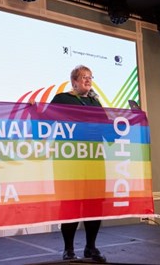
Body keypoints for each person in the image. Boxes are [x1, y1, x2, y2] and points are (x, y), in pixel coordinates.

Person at [50, 65, 107, 262]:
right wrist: (32, 108)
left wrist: (130, 122)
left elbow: (108, 132)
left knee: (94, 204)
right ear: (74, 81)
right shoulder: (62, 99)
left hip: (94, 160)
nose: (88, 80)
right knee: (70, 205)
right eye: (84, 77)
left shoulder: (95, 102)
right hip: (70, 161)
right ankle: (68, 250)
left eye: (90, 77)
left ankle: (91, 247)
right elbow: (45, 120)